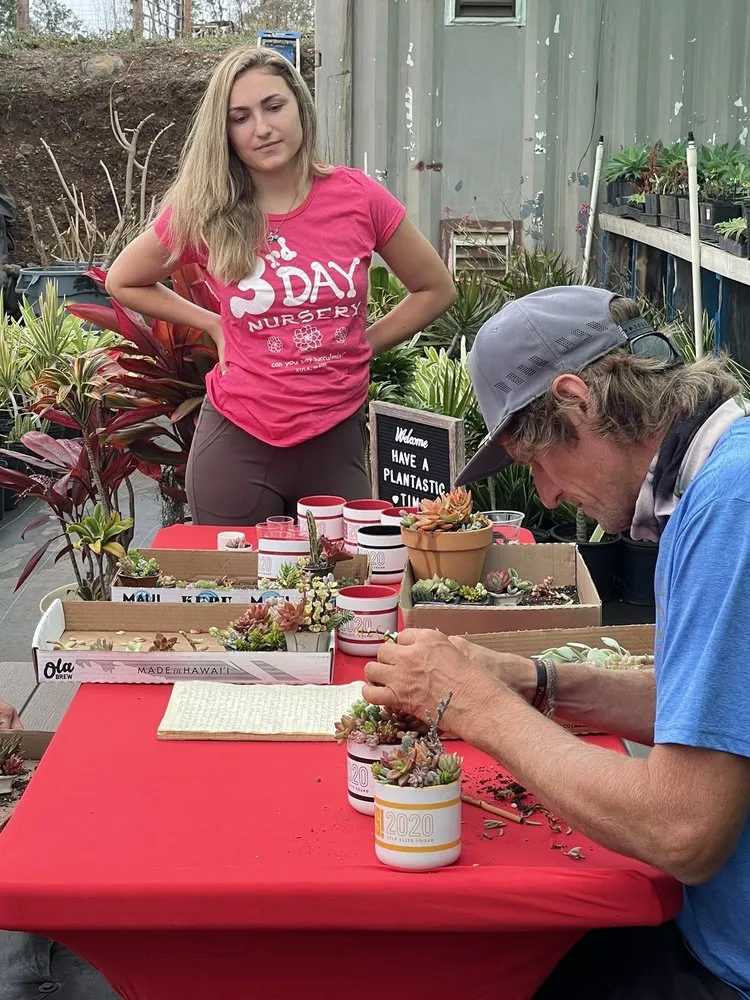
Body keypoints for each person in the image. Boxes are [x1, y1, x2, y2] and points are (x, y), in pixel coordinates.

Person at [363, 285, 750, 1000]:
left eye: (533, 459)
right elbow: (712, 709)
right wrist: (537, 683)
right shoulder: (712, 482)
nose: (541, 494)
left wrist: (473, 704)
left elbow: (682, 830)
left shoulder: (732, 507)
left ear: (576, 400)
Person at [106, 46, 455, 525]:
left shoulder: (358, 197)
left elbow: (435, 289)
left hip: (335, 440)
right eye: (241, 117)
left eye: (274, 106)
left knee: (344, 593)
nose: (263, 128)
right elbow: (124, 279)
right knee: (240, 596)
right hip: (238, 442)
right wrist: (213, 324)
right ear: (225, 132)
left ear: (300, 107)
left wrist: (362, 343)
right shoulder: (207, 210)